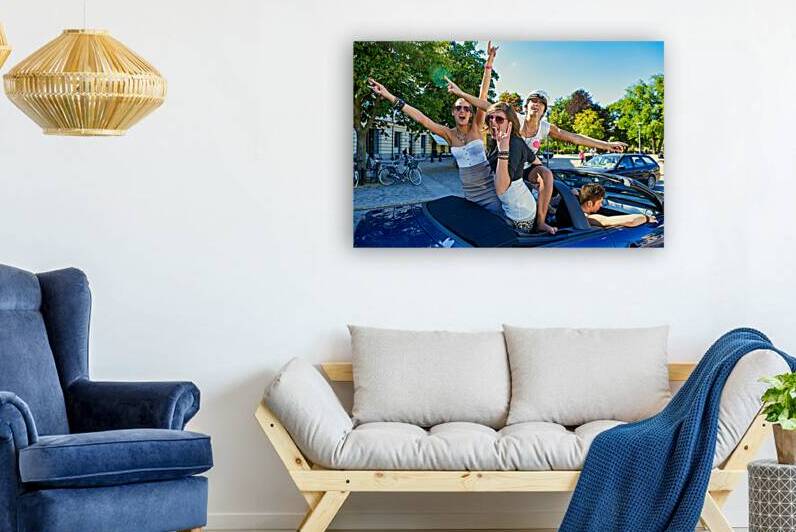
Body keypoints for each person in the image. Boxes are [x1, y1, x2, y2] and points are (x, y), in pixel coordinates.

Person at [367, 42, 502, 216]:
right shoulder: (448, 134)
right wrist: (388, 96)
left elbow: (482, 95)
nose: (463, 111)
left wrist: (488, 64)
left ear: (471, 113)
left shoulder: (476, 126)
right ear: (453, 112)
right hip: (470, 198)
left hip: (491, 195)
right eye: (458, 108)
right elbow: (422, 118)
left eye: (467, 108)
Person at [486, 102, 537, 232]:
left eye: (499, 119)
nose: (493, 122)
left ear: (510, 123)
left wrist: (503, 150)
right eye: (490, 118)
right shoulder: (497, 141)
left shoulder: (514, 143)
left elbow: (502, 189)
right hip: (511, 206)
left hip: (521, 213)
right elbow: (534, 159)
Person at [578, 183, 657, 228]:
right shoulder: (586, 218)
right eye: (599, 202)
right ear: (589, 203)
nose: (601, 205)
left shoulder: (573, 208)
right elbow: (631, 221)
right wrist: (646, 218)